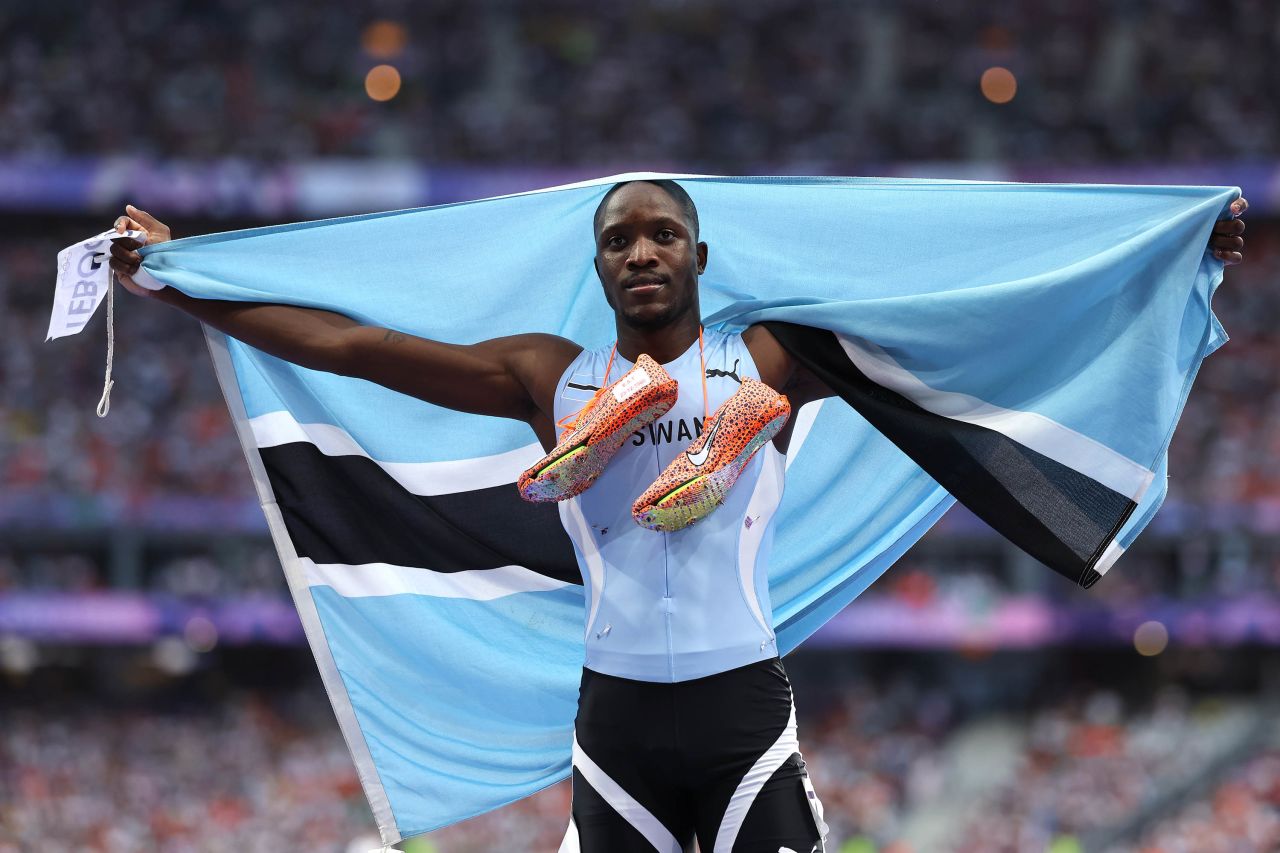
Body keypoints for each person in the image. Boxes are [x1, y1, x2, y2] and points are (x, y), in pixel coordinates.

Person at [108, 181, 1249, 852]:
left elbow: (977, 300)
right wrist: (172, 276)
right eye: (618, 240)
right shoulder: (540, 373)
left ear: (698, 255)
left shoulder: (768, 357)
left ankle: (708, 442)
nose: (641, 250)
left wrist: (1174, 243)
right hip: (610, 730)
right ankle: (611, 442)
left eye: (660, 234)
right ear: (598, 267)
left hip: (738, 712)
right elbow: (355, 347)